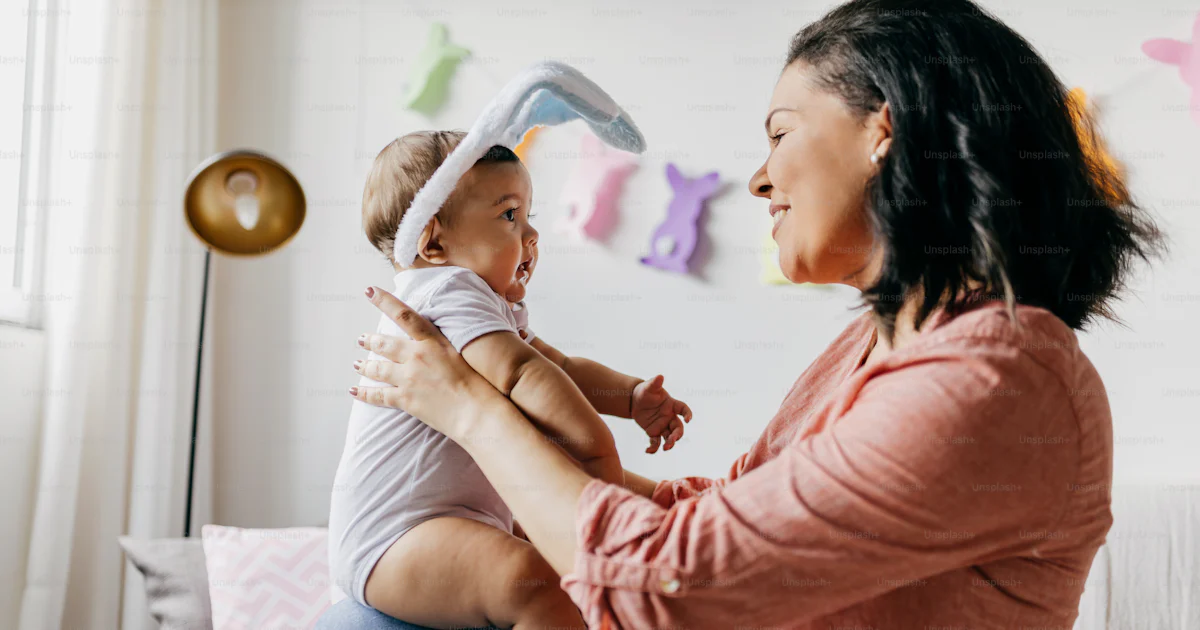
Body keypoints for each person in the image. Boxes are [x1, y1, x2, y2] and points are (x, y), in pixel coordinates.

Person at [322, 0, 1164, 627]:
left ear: (884, 132)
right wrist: (600, 476)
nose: (759, 179)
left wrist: (466, 410)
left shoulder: (996, 376)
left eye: (780, 133)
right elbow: (727, 515)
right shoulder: (877, 345)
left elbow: (665, 584)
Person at [327, 130, 691, 629]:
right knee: (536, 584)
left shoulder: (479, 303)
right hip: (397, 539)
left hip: (441, 527)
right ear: (433, 241)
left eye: (528, 216)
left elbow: (552, 366)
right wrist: (593, 450)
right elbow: (523, 374)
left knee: (544, 579)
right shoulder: (445, 290)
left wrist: (628, 396)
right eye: (508, 216)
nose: (531, 235)